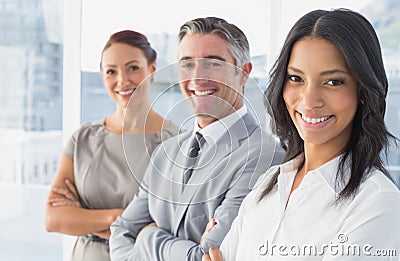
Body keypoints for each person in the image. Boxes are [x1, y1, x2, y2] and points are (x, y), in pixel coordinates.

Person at [202, 8, 400, 261]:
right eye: (296, 78)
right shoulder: (270, 182)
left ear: (363, 91)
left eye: (333, 82)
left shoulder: (378, 204)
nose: (309, 100)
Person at [109, 17, 284, 260]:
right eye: (187, 64)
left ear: (244, 73)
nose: (197, 77)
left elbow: (208, 255)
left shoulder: (265, 156)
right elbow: (121, 231)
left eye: (213, 63)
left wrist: (148, 237)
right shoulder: (165, 152)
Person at [45, 30, 180, 260]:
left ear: (152, 68)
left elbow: (172, 227)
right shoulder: (83, 140)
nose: (122, 80)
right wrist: (119, 220)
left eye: (133, 68)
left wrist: (84, 218)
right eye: (111, 71)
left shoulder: (177, 144)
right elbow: (53, 218)